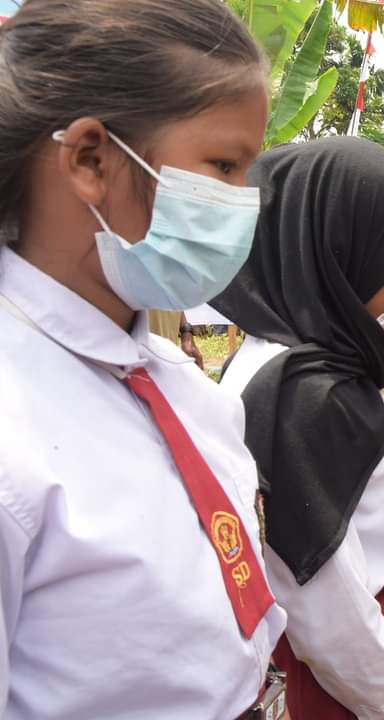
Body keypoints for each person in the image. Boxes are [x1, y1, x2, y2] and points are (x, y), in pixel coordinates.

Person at [0, 1, 286, 717]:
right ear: (91, 160)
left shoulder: (182, 387)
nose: (244, 201)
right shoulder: (13, 434)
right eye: (223, 165)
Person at [213, 137, 384, 719]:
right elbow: (328, 611)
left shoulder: (321, 357)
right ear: (340, 252)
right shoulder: (302, 394)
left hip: (383, 647)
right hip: (357, 680)